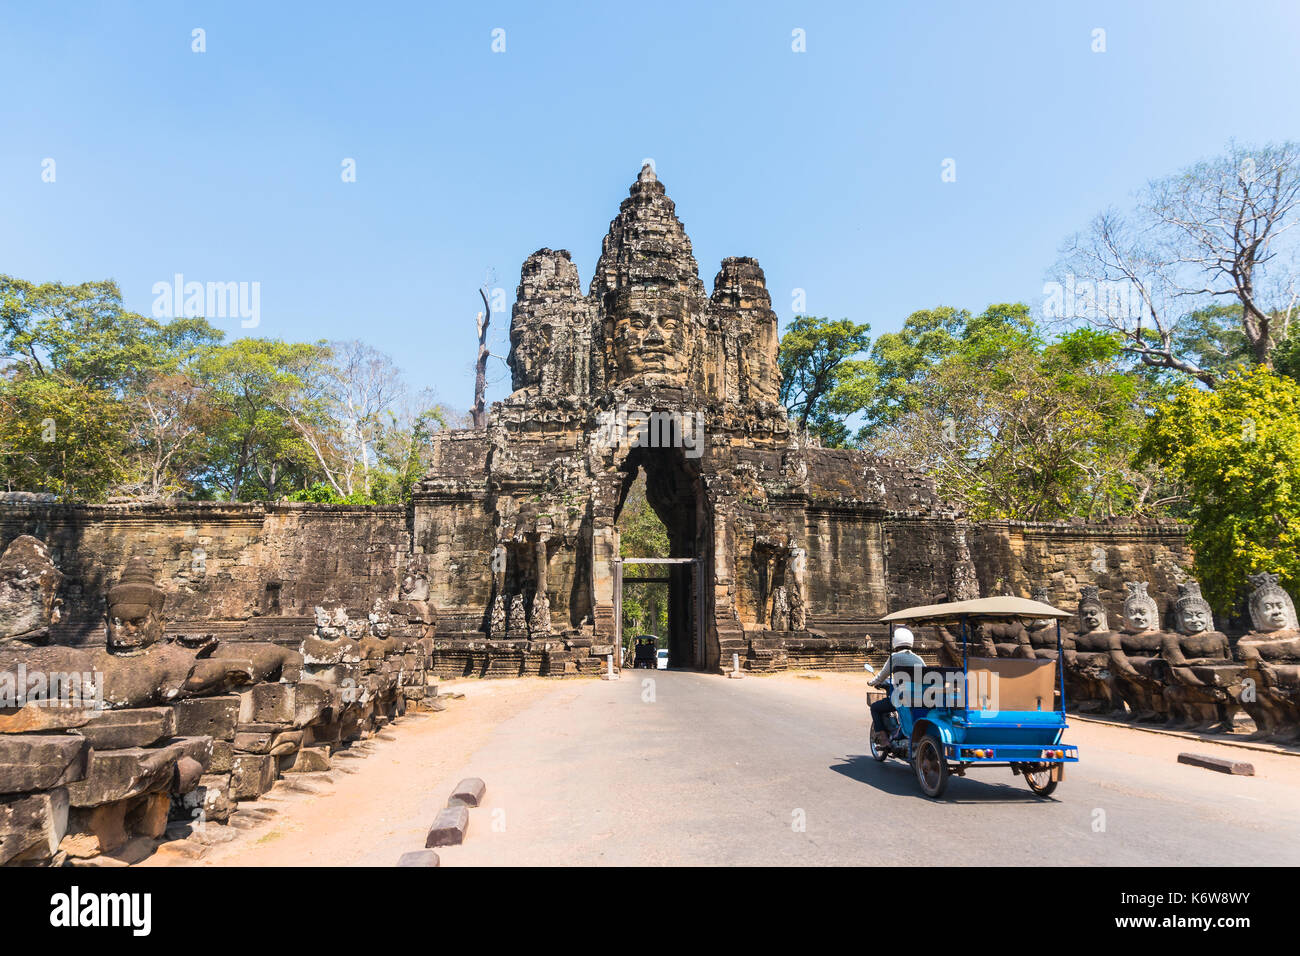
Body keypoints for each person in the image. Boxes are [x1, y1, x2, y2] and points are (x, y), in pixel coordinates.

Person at [870, 627, 926, 747]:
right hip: (920, 697)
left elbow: (881, 676)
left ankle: (884, 739)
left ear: (895, 642)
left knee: (875, 708)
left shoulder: (894, 657)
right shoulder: (918, 658)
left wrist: (871, 683)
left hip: (901, 698)